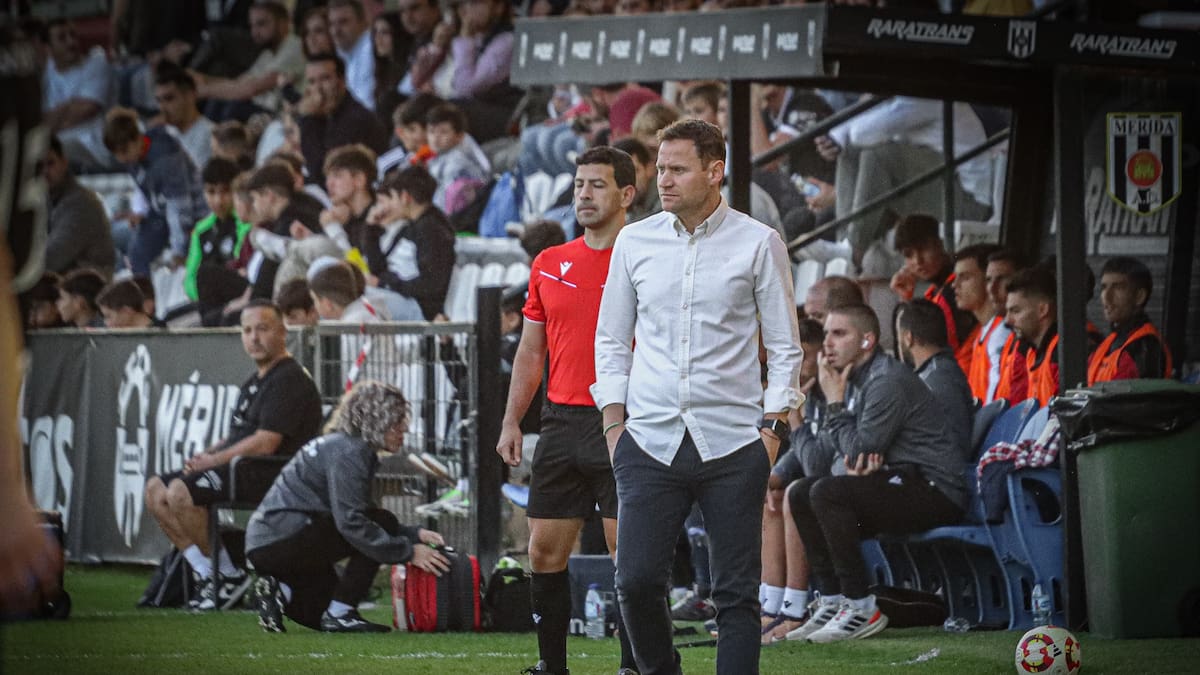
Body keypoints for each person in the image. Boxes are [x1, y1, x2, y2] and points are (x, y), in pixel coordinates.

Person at [592, 119, 802, 675]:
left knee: (736, 595)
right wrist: (614, 425)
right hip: (647, 440)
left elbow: (785, 347)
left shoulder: (759, 242)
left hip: (735, 444)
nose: (663, 179)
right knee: (636, 582)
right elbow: (610, 340)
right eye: (661, 168)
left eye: (678, 169)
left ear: (715, 172)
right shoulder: (634, 240)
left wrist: (772, 433)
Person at [497, 147, 639, 675]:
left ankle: (634, 666)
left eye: (597, 184)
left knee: (630, 557)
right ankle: (551, 666)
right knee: (543, 553)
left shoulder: (646, 258)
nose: (584, 194)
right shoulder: (549, 263)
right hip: (560, 422)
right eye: (579, 184)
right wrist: (512, 420)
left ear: (626, 194)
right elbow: (531, 350)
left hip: (626, 420)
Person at [786, 304, 966, 643]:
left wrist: (835, 404)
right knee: (801, 491)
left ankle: (860, 604)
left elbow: (857, 451)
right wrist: (810, 414)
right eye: (827, 334)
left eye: (839, 334)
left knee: (826, 492)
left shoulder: (885, 380)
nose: (827, 343)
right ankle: (832, 600)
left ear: (867, 341)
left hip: (935, 489)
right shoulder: (849, 379)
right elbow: (819, 465)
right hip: (898, 480)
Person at [142, 300, 323, 610]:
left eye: (262, 329)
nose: (254, 338)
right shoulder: (256, 380)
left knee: (180, 492)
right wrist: (208, 453)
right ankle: (206, 573)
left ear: (282, 332)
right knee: (156, 490)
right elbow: (238, 434)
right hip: (240, 468)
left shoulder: (290, 379)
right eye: (247, 330)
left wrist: (214, 461)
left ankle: (227, 576)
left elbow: (266, 443)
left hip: (270, 473)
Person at [246, 381, 452, 632]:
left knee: (319, 612)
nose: (405, 428)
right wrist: (408, 551)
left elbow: (355, 514)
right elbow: (353, 522)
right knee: (381, 522)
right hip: (283, 539)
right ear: (376, 420)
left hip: (268, 543)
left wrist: (414, 533)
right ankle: (341, 613)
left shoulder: (341, 445)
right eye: (397, 421)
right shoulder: (350, 452)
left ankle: (279, 591)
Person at [760, 317, 825, 644]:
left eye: (805, 356)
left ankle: (794, 609)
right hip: (818, 483)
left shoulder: (830, 389)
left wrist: (795, 417)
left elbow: (815, 463)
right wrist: (772, 477)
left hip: (834, 486)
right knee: (769, 497)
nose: (799, 368)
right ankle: (769, 605)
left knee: (792, 496)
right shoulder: (808, 389)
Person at [103, 107, 208, 276]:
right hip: (160, 213)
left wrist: (179, 251)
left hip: (194, 215)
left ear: (137, 138)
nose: (121, 158)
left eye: (124, 151)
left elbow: (179, 207)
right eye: (117, 154)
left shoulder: (167, 158)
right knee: (137, 255)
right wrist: (140, 211)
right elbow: (143, 187)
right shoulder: (134, 158)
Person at [362, 166, 456, 321]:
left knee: (359, 301)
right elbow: (378, 268)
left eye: (393, 198)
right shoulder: (411, 227)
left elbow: (431, 284)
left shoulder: (432, 230)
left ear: (405, 197)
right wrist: (371, 229)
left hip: (419, 307)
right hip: (397, 296)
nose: (389, 205)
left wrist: (385, 283)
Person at [194, 0, 306, 121]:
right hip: (262, 112)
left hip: (284, 116)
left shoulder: (294, 46)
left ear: (283, 23)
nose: (254, 32)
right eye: (252, 26)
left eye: (261, 24)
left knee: (234, 107)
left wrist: (203, 90)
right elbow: (239, 83)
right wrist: (202, 79)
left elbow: (251, 89)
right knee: (218, 101)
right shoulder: (268, 53)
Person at [895, 299, 974, 458]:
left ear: (908, 338)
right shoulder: (941, 371)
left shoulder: (934, 379)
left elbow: (946, 448)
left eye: (899, 339)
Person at [889, 214, 977, 353]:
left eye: (923, 249)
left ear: (939, 244)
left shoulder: (955, 289)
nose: (918, 261)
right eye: (909, 255)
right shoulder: (936, 291)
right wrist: (905, 298)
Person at [296, 53, 389, 185]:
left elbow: (323, 175)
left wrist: (309, 119)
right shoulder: (326, 115)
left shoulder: (356, 119)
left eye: (325, 79)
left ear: (342, 80)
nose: (318, 89)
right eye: (312, 82)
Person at [186, 157, 252, 323]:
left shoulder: (245, 224)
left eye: (225, 191)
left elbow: (241, 267)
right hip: (207, 303)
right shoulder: (201, 230)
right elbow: (190, 279)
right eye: (211, 192)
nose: (218, 200)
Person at [1087, 256, 1172, 384]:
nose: (1106, 297)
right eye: (1104, 287)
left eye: (1118, 288)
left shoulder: (1145, 346)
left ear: (1139, 296)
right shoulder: (1109, 342)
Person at [42, 18, 112, 170]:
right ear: (48, 48)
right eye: (62, 38)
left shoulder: (96, 64)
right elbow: (37, 122)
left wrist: (50, 120)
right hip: (53, 147)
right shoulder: (46, 71)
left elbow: (86, 110)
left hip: (91, 149)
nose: (71, 42)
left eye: (73, 35)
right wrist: (69, 105)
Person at [42, 135, 114, 279]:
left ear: (64, 163)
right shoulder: (47, 199)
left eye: (50, 163)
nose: (44, 172)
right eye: (38, 166)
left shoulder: (81, 203)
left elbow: (50, 259)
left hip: (88, 289)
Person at [953, 244, 1012, 404]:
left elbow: (997, 403)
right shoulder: (981, 332)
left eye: (965, 277)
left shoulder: (1003, 331)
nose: (955, 285)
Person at [1004, 266, 1059, 406]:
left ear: (1043, 310)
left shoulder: (1062, 352)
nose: (1007, 320)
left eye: (1015, 311)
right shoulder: (1031, 352)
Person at [424, 102, 490, 215]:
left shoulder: (457, 162)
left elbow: (443, 205)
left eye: (443, 132)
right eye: (431, 131)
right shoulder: (442, 155)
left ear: (459, 136)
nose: (435, 138)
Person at [152, 65, 215, 171]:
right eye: (159, 100)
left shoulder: (210, 136)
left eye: (169, 99)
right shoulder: (163, 132)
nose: (162, 107)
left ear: (190, 96)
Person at [987, 248, 1028, 404]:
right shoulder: (1007, 333)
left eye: (1002, 279)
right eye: (988, 280)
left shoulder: (1029, 337)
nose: (992, 288)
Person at [327, 0, 377, 110]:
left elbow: (364, 105)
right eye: (331, 24)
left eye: (343, 22)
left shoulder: (371, 48)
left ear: (363, 22)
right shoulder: (340, 52)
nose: (336, 30)